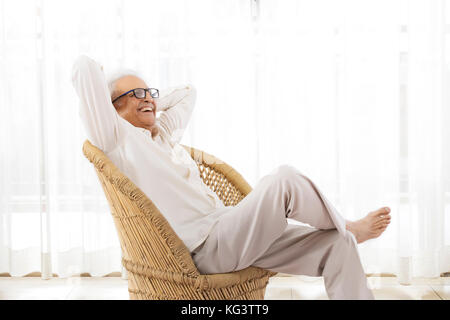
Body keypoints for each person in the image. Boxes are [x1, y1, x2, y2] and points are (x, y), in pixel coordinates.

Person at [72, 55, 391, 300]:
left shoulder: (163, 136)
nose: (148, 98)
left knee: (340, 244)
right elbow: (83, 68)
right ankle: (345, 222)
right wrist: (111, 90)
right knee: (284, 179)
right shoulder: (117, 139)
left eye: (150, 92)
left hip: (231, 231)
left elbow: (187, 93)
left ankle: (344, 232)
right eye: (136, 92)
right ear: (111, 106)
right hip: (205, 248)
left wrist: (149, 102)